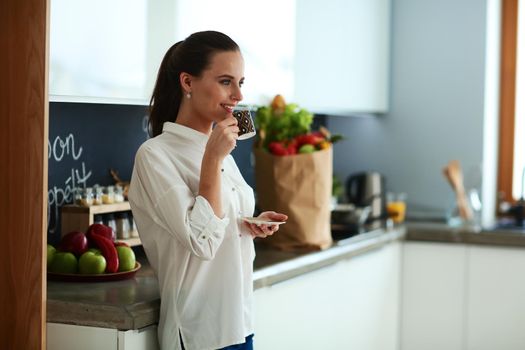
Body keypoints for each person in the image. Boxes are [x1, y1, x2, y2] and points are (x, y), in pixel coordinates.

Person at [128, 31, 288, 350]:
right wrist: (212, 159)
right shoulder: (155, 155)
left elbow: (215, 222)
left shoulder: (219, 147)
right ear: (188, 82)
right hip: (199, 332)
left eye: (241, 82)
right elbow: (202, 242)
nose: (238, 95)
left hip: (239, 322)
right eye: (226, 81)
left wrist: (246, 224)